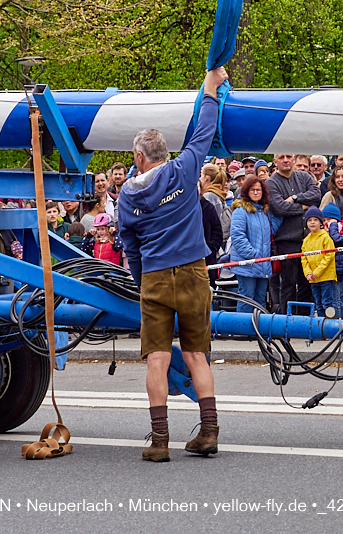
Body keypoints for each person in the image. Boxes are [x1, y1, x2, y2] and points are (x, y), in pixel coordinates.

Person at [118, 66, 228, 463]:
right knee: (197, 354)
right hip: (194, 271)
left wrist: (141, 279)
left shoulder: (126, 197)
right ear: (165, 153)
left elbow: (130, 246)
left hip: (155, 277)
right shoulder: (185, 168)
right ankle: (209, 431)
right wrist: (210, 87)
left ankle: (160, 441)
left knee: (158, 358)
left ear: (138, 157)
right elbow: (204, 129)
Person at [266, 153, 321, 310]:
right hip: (287, 242)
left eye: (288, 156)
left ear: (294, 159)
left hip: (309, 241)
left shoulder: (304, 177)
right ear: (275, 161)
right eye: (281, 157)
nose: (285, 160)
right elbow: (280, 208)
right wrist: (303, 206)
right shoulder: (271, 183)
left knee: (307, 283)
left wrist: (295, 198)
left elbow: (316, 195)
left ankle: (304, 320)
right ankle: (286, 321)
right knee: (288, 285)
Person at [229, 176, 272, 313]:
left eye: (258, 190)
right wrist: (253, 255)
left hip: (262, 263)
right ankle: (241, 326)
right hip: (247, 263)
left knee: (260, 300)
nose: (256, 192)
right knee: (246, 299)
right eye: (252, 190)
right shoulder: (240, 211)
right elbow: (237, 236)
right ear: (246, 191)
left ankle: (258, 326)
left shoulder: (264, 212)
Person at [302, 206, 343, 318]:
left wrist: (317, 272)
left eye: (315, 220)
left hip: (326, 277)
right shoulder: (306, 240)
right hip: (313, 279)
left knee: (327, 303)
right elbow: (304, 258)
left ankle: (330, 324)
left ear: (321, 222)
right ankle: (321, 324)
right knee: (318, 304)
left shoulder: (326, 237)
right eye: (309, 220)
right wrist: (308, 273)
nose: (312, 222)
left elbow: (329, 256)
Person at [200, 164, 231, 243]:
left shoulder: (209, 196)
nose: (199, 178)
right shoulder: (218, 193)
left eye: (201, 175)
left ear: (206, 178)